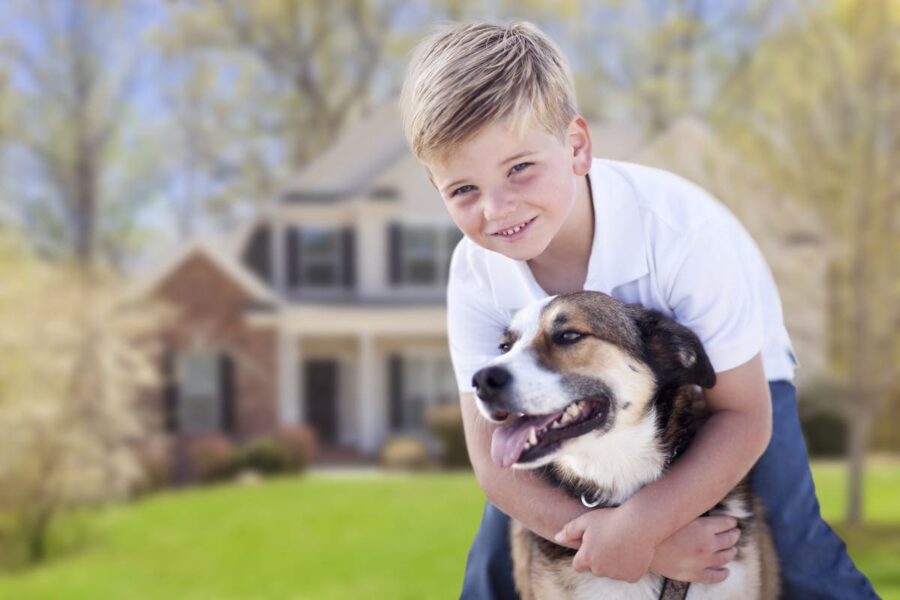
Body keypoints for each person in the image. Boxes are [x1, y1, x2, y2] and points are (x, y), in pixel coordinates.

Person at [399, 21, 877, 600]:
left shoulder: (682, 234)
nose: (497, 209)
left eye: (519, 168)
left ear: (576, 146)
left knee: (798, 552)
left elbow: (743, 417)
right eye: (463, 191)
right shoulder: (475, 271)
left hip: (735, 378)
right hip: (553, 398)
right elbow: (493, 462)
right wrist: (628, 542)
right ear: (435, 186)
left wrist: (642, 525)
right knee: (493, 567)